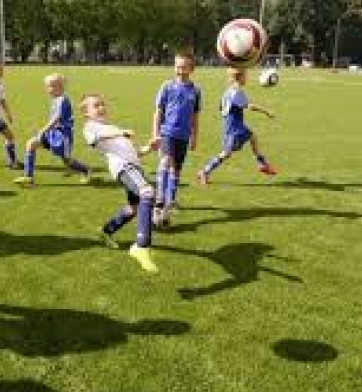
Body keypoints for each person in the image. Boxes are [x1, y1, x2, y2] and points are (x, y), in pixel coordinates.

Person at [80, 94, 158, 273]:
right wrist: (121, 132)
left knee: (135, 207)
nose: (101, 108)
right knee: (147, 192)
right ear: (86, 113)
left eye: (102, 104)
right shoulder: (90, 127)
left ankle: (106, 231)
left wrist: (149, 148)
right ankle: (141, 246)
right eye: (96, 105)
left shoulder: (111, 128)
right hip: (124, 168)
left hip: (133, 166)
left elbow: (134, 152)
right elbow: (95, 140)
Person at [197, 67, 276, 185]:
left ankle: (262, 164)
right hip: (234, 127)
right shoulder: (236, 92)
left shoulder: (228, 91)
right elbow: (250, 106)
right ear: (239, 77)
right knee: (226, 153)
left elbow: (220, 107)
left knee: (253, 137)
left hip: (232, 124)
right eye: (245, 76)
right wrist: (266, 112)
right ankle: (205, 171)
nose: (247, 78)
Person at [149, 52, 201, 226]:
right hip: (167, 132)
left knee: (177, 168)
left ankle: (170, 200)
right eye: (177, 66)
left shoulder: (195, 90)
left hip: (184, 136)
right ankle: (160, 199)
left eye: (184, 67)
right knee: (165, 162)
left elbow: (195, 116)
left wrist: (194, 137)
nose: (180, 70)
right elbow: (158, 112)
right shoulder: (167, 86)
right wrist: (155, 134)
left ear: (192, 69)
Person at [13, 73, 91, 186]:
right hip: (52, 133)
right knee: (31, 144)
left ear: (59, 86)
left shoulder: (63, 100)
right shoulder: (56, 99)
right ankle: (28, 176)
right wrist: (46, 131)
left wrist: (43, 130)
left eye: (50, 86)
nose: (48, 89)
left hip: (62, 136)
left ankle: (86, 170)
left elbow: (56, 118)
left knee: (67, 161)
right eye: (47, 86)